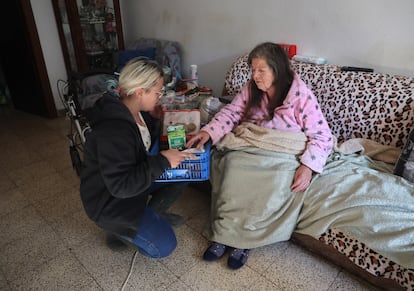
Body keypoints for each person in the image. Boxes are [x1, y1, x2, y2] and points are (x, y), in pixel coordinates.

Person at [186, 42, 333, 269]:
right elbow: (232, 113)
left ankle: (245, 242)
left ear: (277, 69)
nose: (255, 76)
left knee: (275, 182)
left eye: (261, 70)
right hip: (250, 143)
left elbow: (323, 135)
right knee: (231, 168)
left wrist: (308, 167)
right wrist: (208, 131)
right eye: (252, 70)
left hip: (282, 151)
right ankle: (223, 235)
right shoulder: (251, 89)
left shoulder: (300, 95)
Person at [80, 57, 195, 258]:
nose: (160, 96)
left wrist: (154, 118)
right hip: (111, 201)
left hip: (132, 179)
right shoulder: (114, 130)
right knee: (165, 245)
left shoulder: (133, 110)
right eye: (158, 92)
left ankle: (151, 215)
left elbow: (140, 144)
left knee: (184, 173)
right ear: (140, 92)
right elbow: (122, 186)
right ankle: (119, 230)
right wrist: (163, 161)